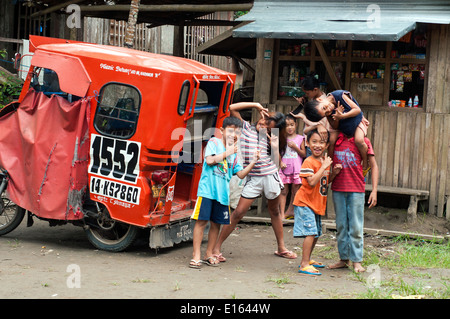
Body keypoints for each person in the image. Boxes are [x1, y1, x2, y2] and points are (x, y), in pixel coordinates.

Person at [212, 102, 298, 262]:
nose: (263, 124)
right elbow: (232, 108)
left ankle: (281, 248)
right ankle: (216, 247)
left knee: (275, 212)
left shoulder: (272, 137)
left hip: (270, 177)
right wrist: (256, 105)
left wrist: (274, 145)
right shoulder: (246, 128)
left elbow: (277, 163)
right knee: (238, 212)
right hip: (253, 179)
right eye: (264, 120)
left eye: (268, 125)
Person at [189, 116, 260, 269]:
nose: (234, 135)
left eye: (238, 132)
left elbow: (240, 174)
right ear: (222, 131)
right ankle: (196, 255)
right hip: (207, 192)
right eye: (230, 131)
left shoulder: (234, 153)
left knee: (216, 225)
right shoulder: (214, 143)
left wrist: (253, 162)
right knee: (201, 222)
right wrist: (228, 152)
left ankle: (209, 253)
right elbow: (209, 160)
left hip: (222, 196)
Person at [293, 128, 342, 276]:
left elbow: (324, 183)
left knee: (316, 234)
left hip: (317, 203)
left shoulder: (323, 161)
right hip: (305, 202)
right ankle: (304, 264)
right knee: (311, 232)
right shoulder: (309, 161)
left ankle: (308, 259)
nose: (317, 145)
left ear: (326, 145)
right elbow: (313, 182)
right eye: (314, 141)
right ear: (307, 143)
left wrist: (333, 173)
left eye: (321, 142)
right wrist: (324, 167)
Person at [328, 133, 379, 273]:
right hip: (338, 189)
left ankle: (357, 261)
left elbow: (373, 166)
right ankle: (343, 259)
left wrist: (374, 190)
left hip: (356, 190)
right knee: (341, 226)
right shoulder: (336, 139)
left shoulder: (363, 142)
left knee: (356, 227)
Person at [302, 90, 370, 175]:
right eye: (326, 113)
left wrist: (342, 116)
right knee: (331, 140)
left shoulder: (339, 95)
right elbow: (334, 126)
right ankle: (332, 165)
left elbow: (357, 110)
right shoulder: (327, 112)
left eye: (324, 108)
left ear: (320, 99)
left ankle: (366, 164)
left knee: (359, 140)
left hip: (357, 121)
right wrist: (337, 118)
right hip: (344, 127)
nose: (328, 110)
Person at [290, 73, 334, 157]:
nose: (306, 95)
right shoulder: (314, 100)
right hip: (311, 141)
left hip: (316, 143)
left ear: (315, 89)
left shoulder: (323, 105)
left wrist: (302, 117)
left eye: (307, 93)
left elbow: (321, 125)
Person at [279, 113, 306, 219]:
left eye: (291, 125)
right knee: (283, 191)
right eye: (286, 125)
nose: (289, 128)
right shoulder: (282, 139)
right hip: (285, 168)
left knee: (296, 191)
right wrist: (280, 163)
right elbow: (277, 153)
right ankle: (281, 214)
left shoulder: (300, 138)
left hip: (296, 168)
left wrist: (296, 147)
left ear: (296, 124)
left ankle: (295, 212)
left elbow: (303, 154)